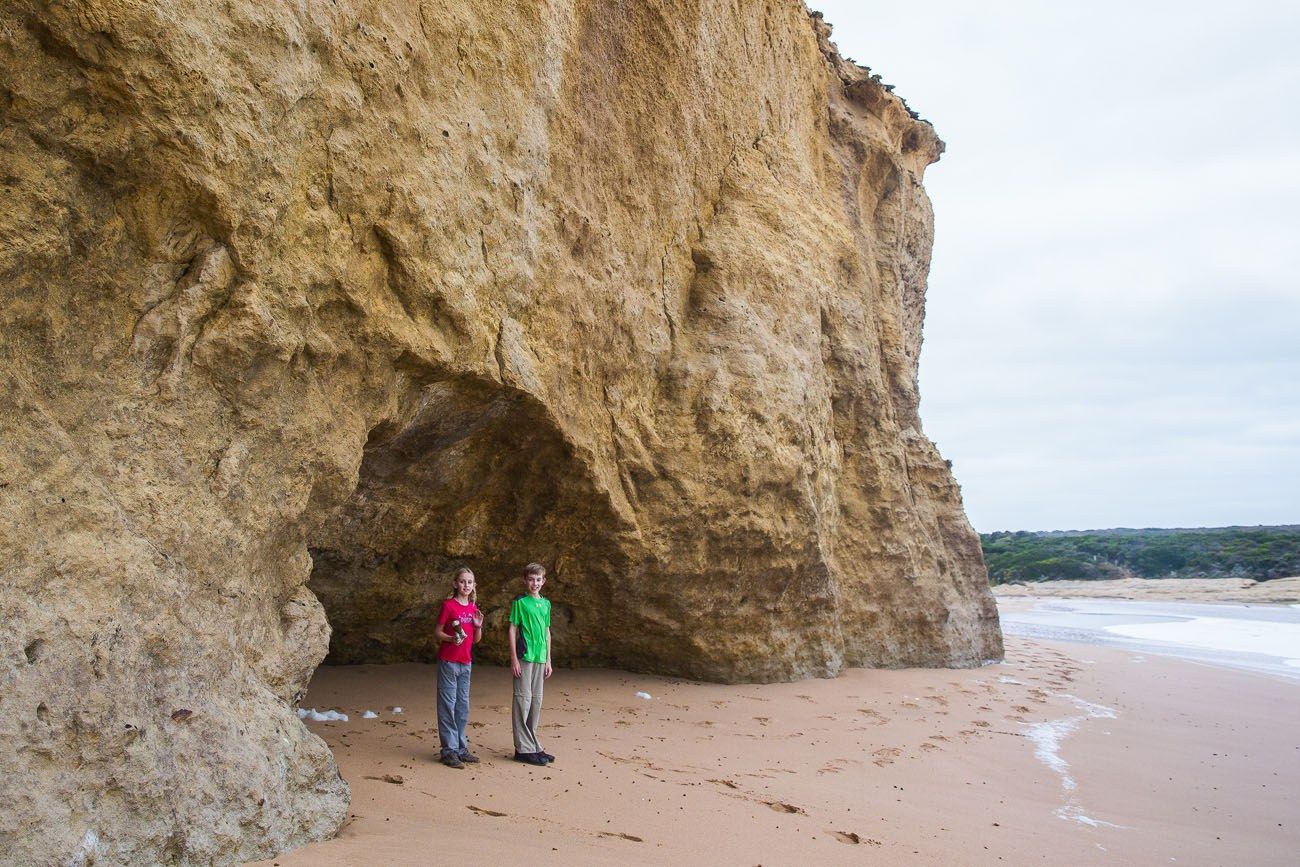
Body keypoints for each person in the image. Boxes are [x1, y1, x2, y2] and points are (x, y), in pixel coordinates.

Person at [434, 567, 484, 769]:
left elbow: (476, 640)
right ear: (455, 584)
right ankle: (449, 751)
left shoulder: (473, 608)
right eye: (462, 582)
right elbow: (437, 632)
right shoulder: (448, 606)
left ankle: (461, 748)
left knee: (462, 706)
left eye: (470, 582)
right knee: (448, 704)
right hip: (448, 661)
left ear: (473, 586)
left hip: (466, 662)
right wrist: (450, 638)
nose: (466, 585)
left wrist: (478, 625)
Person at [508, 562, 553, 765]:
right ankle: (523, 748)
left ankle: (533, 744)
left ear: (543, 581)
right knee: (522, 700)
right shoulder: (520, 602)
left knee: (536, 701)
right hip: (525, 657)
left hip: (540, 658)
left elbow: (546, 632)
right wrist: (514, 659)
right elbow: (512, 629)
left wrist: (549, 660)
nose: (535, 583)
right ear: (525, 580)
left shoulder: (546, 604)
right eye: (531, 579)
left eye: (538, 579)